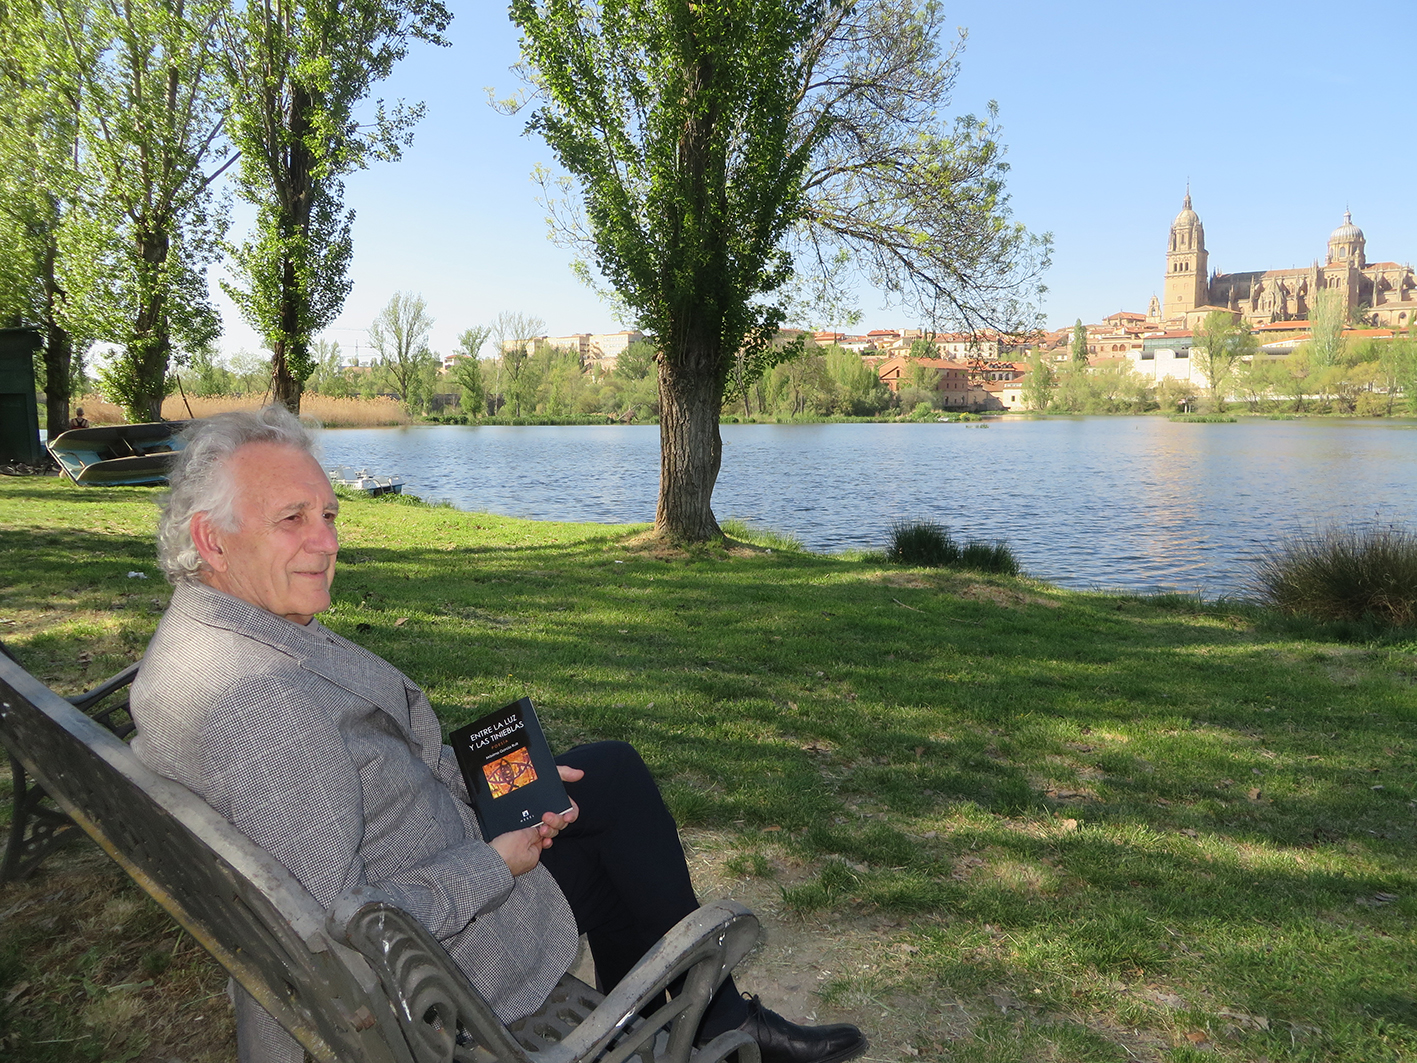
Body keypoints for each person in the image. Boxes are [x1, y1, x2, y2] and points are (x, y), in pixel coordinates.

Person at [130, 406, 867, 1063]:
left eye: (329, 514)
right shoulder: (260, 701)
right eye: (292, 518)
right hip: (442, 962)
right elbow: (337, 925)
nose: (325, 541)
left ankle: (697, 1019)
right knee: (614, 816)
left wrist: (499, 776)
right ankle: (705, 1021)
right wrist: (495, 863)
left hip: (415, 851)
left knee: (599, 777)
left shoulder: (203, 638)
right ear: (213, 540)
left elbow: (355, 777)